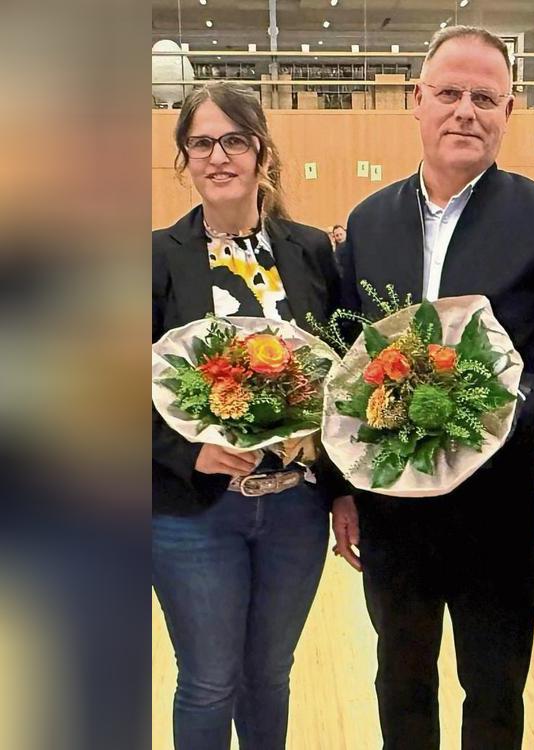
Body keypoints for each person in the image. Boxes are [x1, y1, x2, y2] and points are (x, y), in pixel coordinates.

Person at [334, 25, 534, 749]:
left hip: (498, 500)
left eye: (485, 97)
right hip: (392, 505)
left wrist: (510, 416)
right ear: (416, 100)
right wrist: (341, 488)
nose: (465, 111)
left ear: (509, 111)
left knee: (494, 686)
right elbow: (343, 359)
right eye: (449, 93)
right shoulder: (368, 221)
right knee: (400, 677)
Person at [152, 81, 353, 750]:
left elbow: (340, 381)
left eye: (234, 140)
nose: (219, 156)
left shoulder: (311, 250)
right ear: (185, 158)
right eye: (202, 143)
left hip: (295, 508)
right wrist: (190, 452)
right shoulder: (154, 257)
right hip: (194, 512)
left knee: (269, 676)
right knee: (209, 681)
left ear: (262, 152)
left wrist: (344, 491)